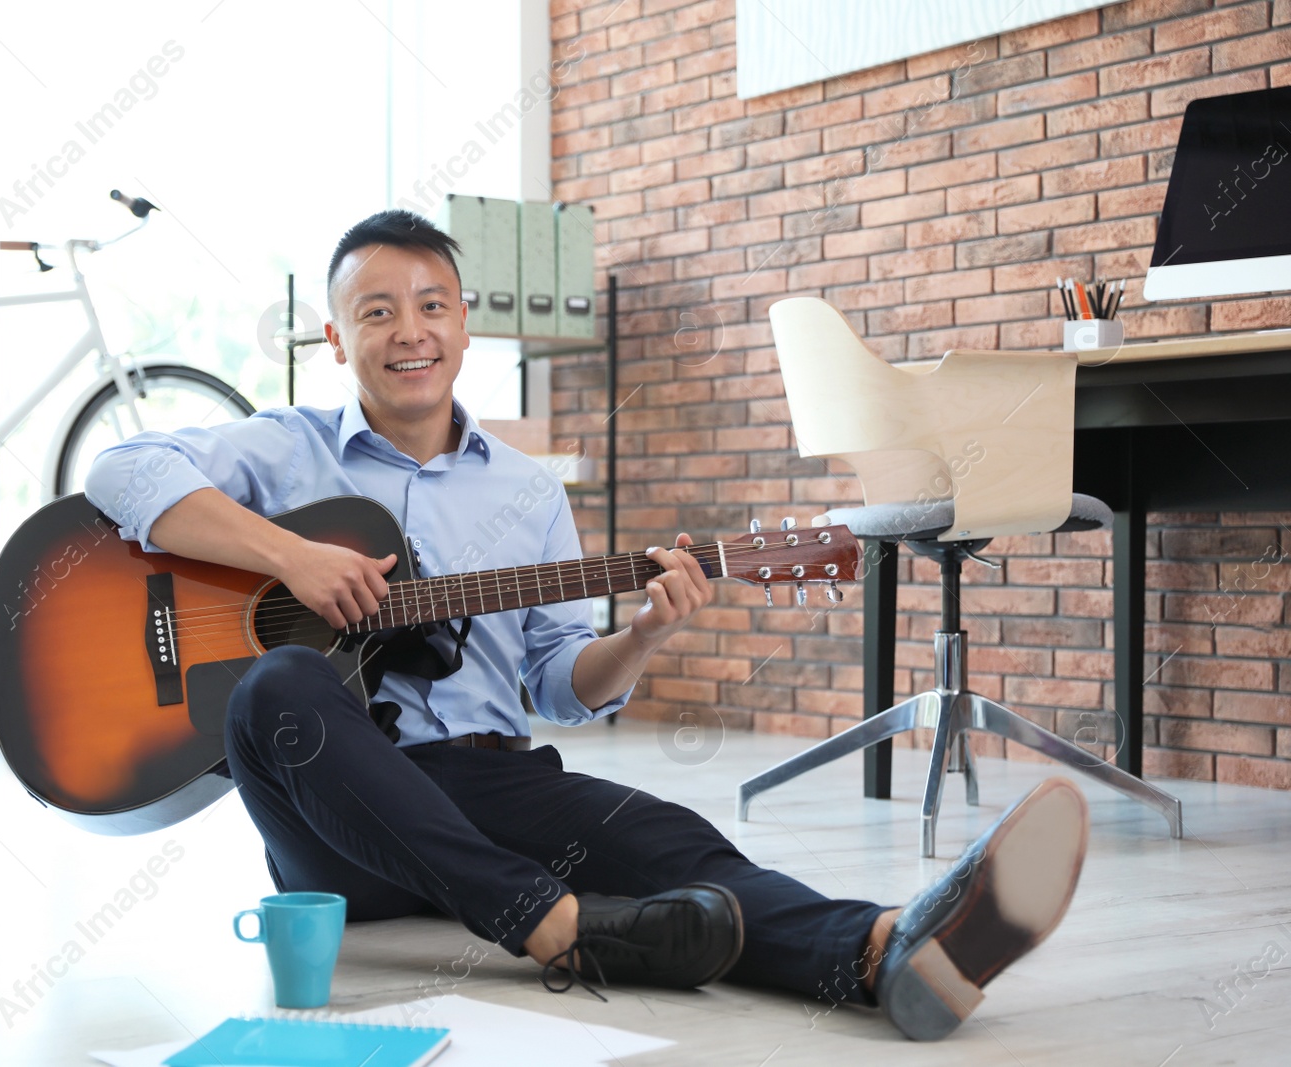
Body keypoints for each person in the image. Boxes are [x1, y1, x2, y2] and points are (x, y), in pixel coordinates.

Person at [83, 209, 1092, 1040]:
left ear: (466, 324)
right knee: (275, 686)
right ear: (336, 337)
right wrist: (289, 557)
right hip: (337, 825)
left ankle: (884, 948)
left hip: (489, 782)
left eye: (431, 305)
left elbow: (565, 685)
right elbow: (121, 470)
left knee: (670, 840)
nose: (410, 331)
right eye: (377, 311)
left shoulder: (526, 492)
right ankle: (553, 922)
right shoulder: (283, 448)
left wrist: (648, 628)